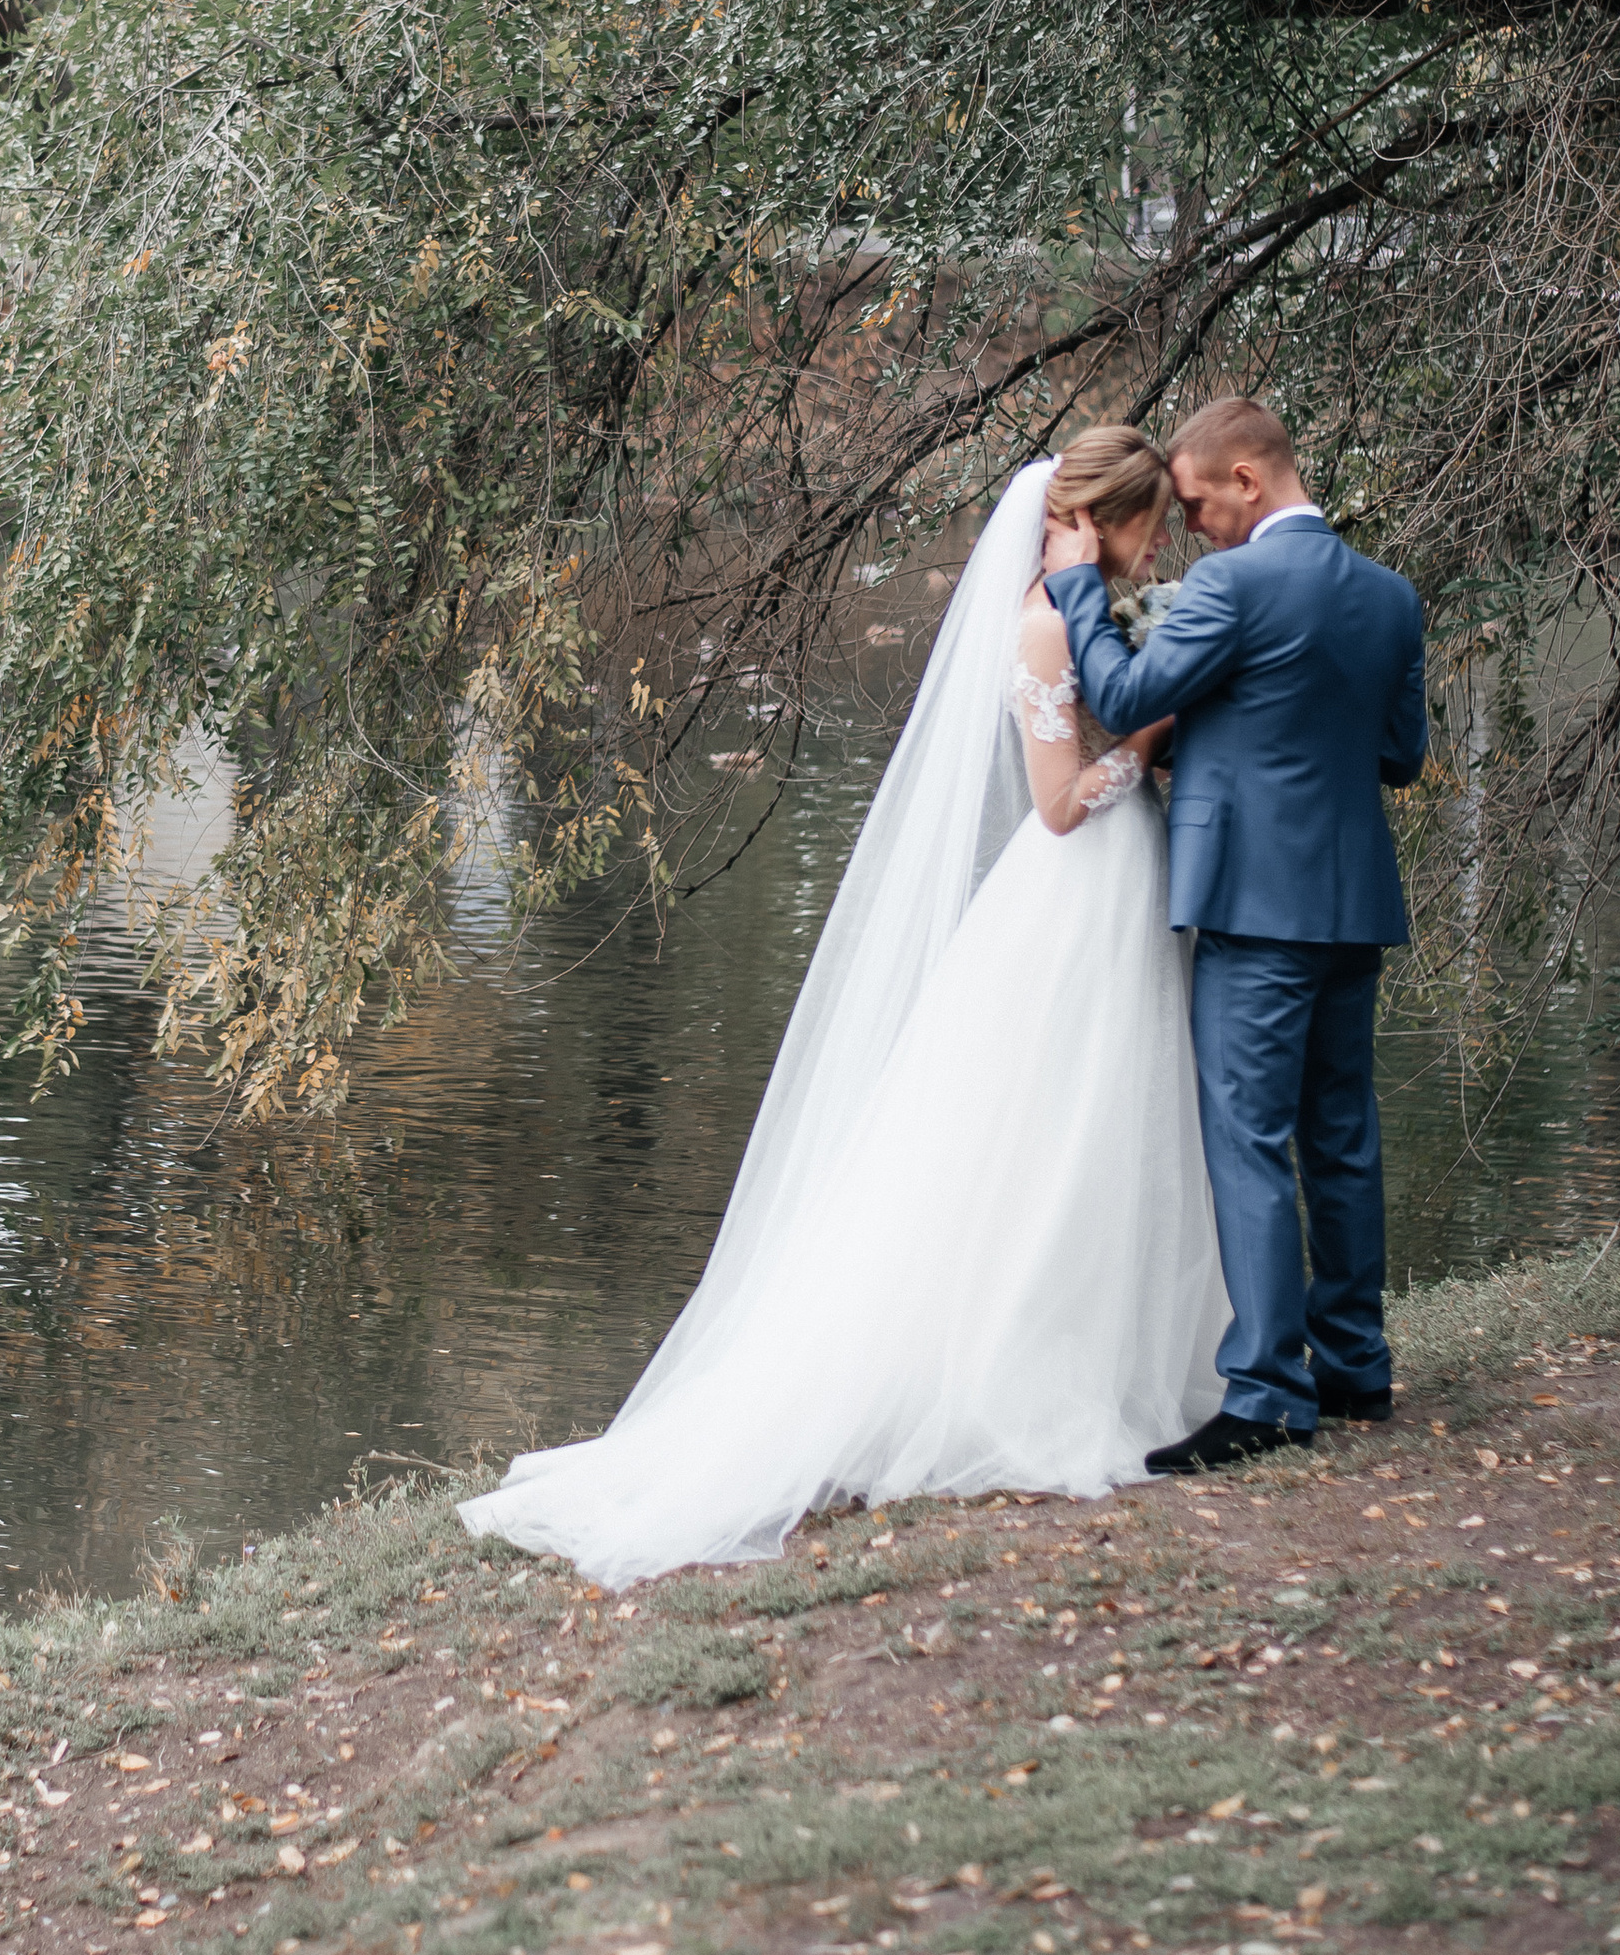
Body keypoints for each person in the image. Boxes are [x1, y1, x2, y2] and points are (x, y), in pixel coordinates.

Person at [461, 432, 1227, 1588]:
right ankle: (1014, 1370)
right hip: (1075, 887)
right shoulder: (1038, 622)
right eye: (1147, 522)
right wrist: (1158, 734)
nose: (1160, 542)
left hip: (1115, 893)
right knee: (1051, 1126)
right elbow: (1062, 804)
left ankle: (1118, 1354)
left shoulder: (1085, 608)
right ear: (1098, 518)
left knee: (1099, 1125)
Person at [1045, 395, 1427, 1472]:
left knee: (1249, 1137)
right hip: (1351, 904)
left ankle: (1264, 1388)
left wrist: (1077, 584)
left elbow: (1121, 696)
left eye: (1202, 502)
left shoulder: (1232, 583)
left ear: (1249, 483)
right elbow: (1396, 756)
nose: (1193, 524)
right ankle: (1355, 1367)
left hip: (1254, 906)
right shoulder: (1390, 597)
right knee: (1340, 1135)